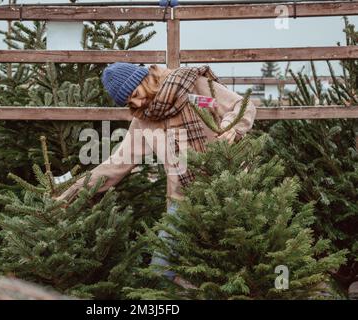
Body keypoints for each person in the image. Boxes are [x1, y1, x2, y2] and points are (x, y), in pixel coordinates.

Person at [54, 62, 257, 286]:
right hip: (184, 199)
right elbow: (115, 165)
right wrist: (69, 194)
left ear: (146, 79)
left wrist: (231, 128)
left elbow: (242, 105)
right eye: (130, 103)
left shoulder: (192, 87)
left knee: (238, 267)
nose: (138, 103)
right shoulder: (143, 121)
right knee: (161, 271)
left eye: (136, 94)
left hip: (232, 187)